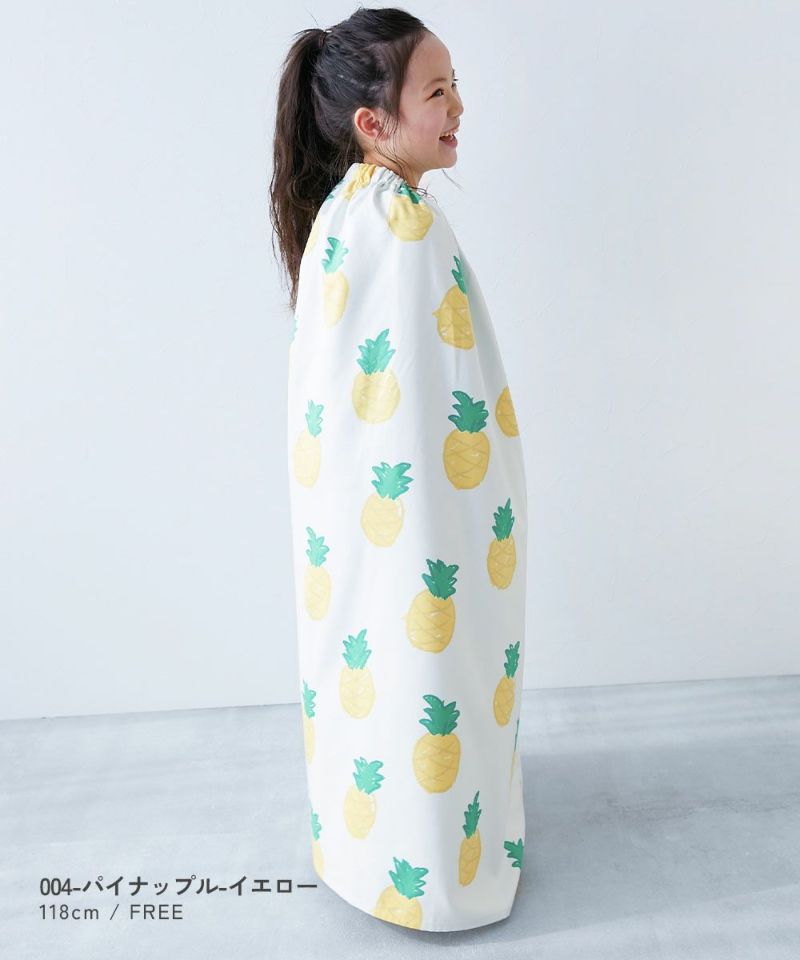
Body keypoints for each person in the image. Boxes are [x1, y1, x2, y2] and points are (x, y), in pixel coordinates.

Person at [270, 6, 528, 932]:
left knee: (372, 667)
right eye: (437, 91)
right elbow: (426, 403)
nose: (458, 106)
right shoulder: (402, 226)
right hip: (420, 525)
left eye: (456, 86)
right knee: (429, 670)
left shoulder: (351, 212)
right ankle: (440, 877)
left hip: (361, 525)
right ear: (373, 122)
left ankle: (372, 854)